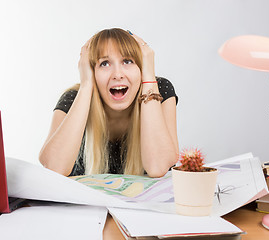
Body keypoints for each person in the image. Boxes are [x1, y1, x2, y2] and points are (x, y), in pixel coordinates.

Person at [39, 28, 178, 177]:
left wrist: (149, 78)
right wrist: (86, 85)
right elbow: (54, 168)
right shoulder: (74, 98)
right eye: (104, 63)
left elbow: (158, 167)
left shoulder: (158, 90)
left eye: (128, 61)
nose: (117, 75)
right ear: (92, 71)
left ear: (141, 67)